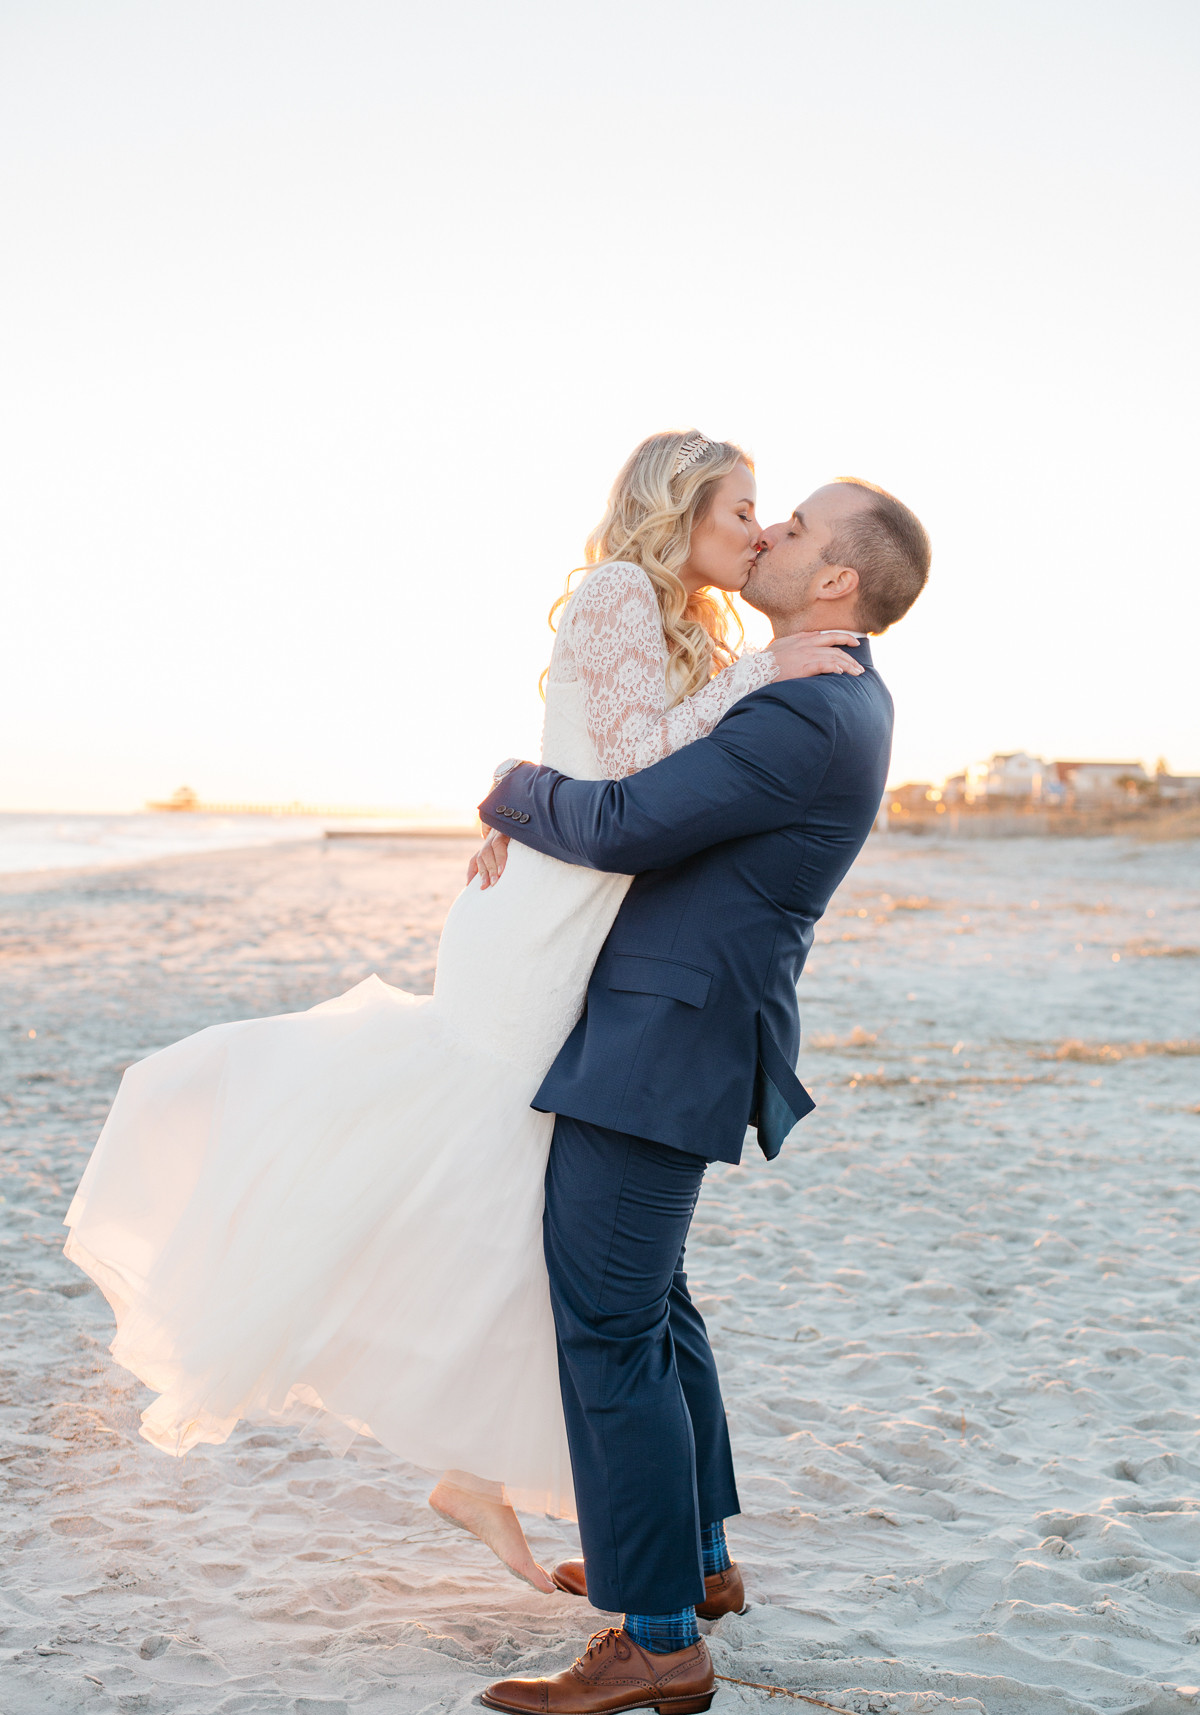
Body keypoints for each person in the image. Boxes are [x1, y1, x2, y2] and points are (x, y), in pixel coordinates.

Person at [62, 431, 862, 1595]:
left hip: (581, 906)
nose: (760, 529)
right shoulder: (615, 592)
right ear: (680, 510)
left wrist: (713, 691)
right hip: (541, 917)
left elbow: (624, 776)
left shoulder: (685, 617)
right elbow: (635, 765)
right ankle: (479, 1475)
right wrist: (758, 676)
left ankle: (484, 1478)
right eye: (745, 508)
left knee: (519, 1187)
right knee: (492, 1162)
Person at [476, 475, 930, 1715]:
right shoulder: (821, 694)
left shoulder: (806, 715)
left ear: (835, 579)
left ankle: (659, 1635)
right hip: (683, 1029)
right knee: (654, 1308)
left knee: (610, 1330)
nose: (771, 529)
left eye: (795, 528)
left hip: (663, 1043)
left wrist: (510, 787)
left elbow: (621, 823)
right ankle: (701, 1566)